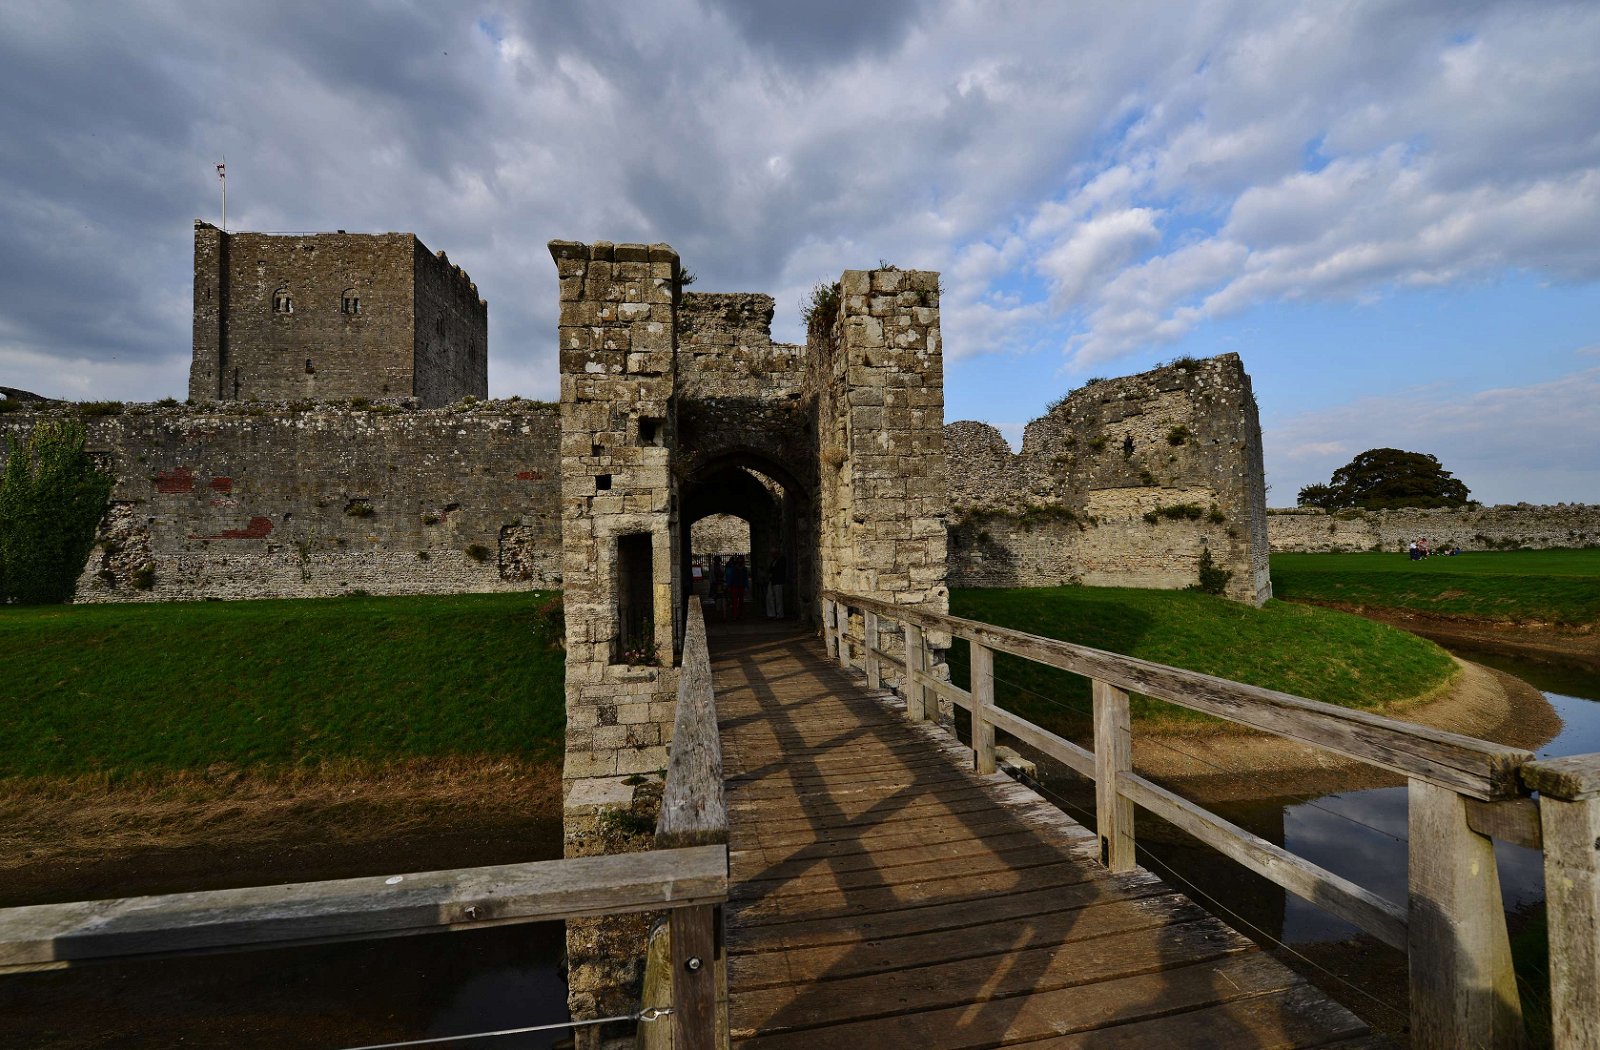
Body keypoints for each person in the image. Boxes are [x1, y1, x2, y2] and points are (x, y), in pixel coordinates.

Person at [726, 555, 749, 620]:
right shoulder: (734, 569)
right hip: (735, 586)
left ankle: (738, 615)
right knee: (735, 601)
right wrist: (729, 585)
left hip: (740, 586)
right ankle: (735, 615)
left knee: (740, 601)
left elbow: (745, 578)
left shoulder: (744, 569)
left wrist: (746, 586)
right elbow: (731, 578)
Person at [766, 552, 787, 618]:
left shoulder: (782, 560)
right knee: (769, 597)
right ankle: (771, 613)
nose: (772, 555)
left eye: (773, 553)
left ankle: (779, 614)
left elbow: (780, 571)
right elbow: (770, 570)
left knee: (778, 598)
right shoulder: (774, 561)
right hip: (772, 581)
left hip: (778, 581)